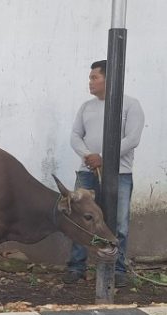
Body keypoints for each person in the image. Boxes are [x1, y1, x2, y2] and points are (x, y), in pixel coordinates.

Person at [63, 59, 145, 288]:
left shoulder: (130, 105)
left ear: (109, 80)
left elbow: (132, 139)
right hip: (88, 172)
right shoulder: (86, 107)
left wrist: (104, 157)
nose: (90, 82)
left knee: (118, 223)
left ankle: (117, 269)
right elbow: (75, 136)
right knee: (79, 220)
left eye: (94, 77)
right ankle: (76, 267)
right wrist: (89, 156)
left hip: (120, 173)